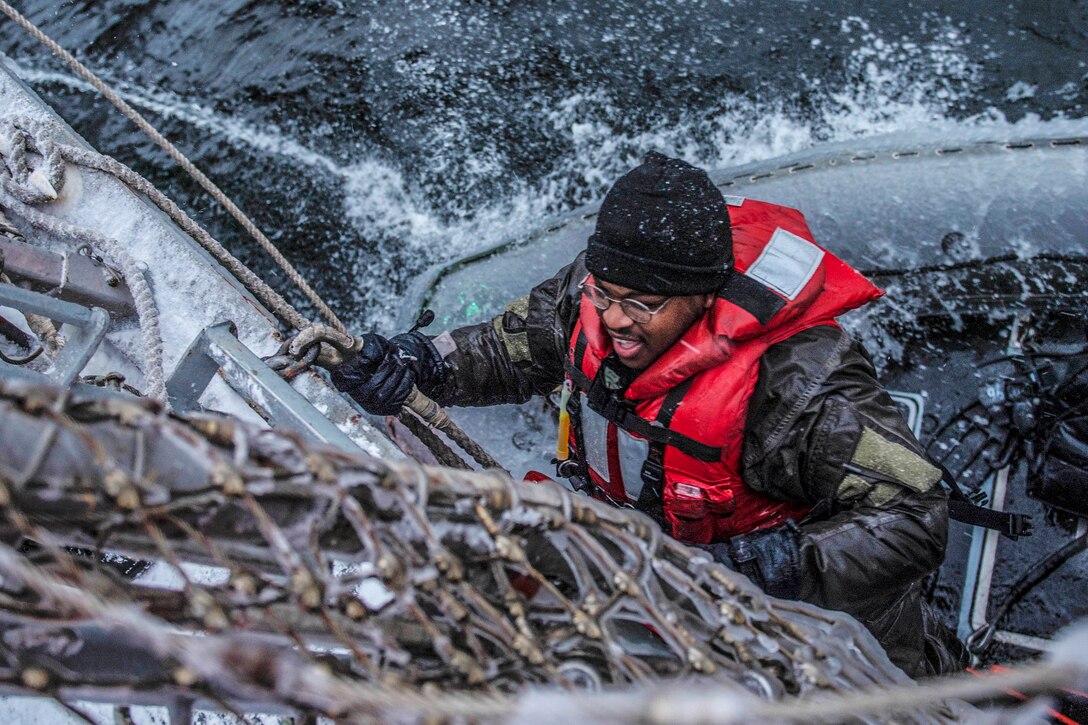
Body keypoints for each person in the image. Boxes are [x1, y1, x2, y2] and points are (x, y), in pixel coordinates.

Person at [323, 152, 964, 676]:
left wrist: (776, 565)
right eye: (606, 295)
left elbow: (914, 514)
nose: (614, 320)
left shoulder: (801, 383)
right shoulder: (594, 294)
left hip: (791, 621)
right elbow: (507, 350)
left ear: (702, 295)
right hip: (634, 575)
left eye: (643, 304)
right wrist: (418, 365)